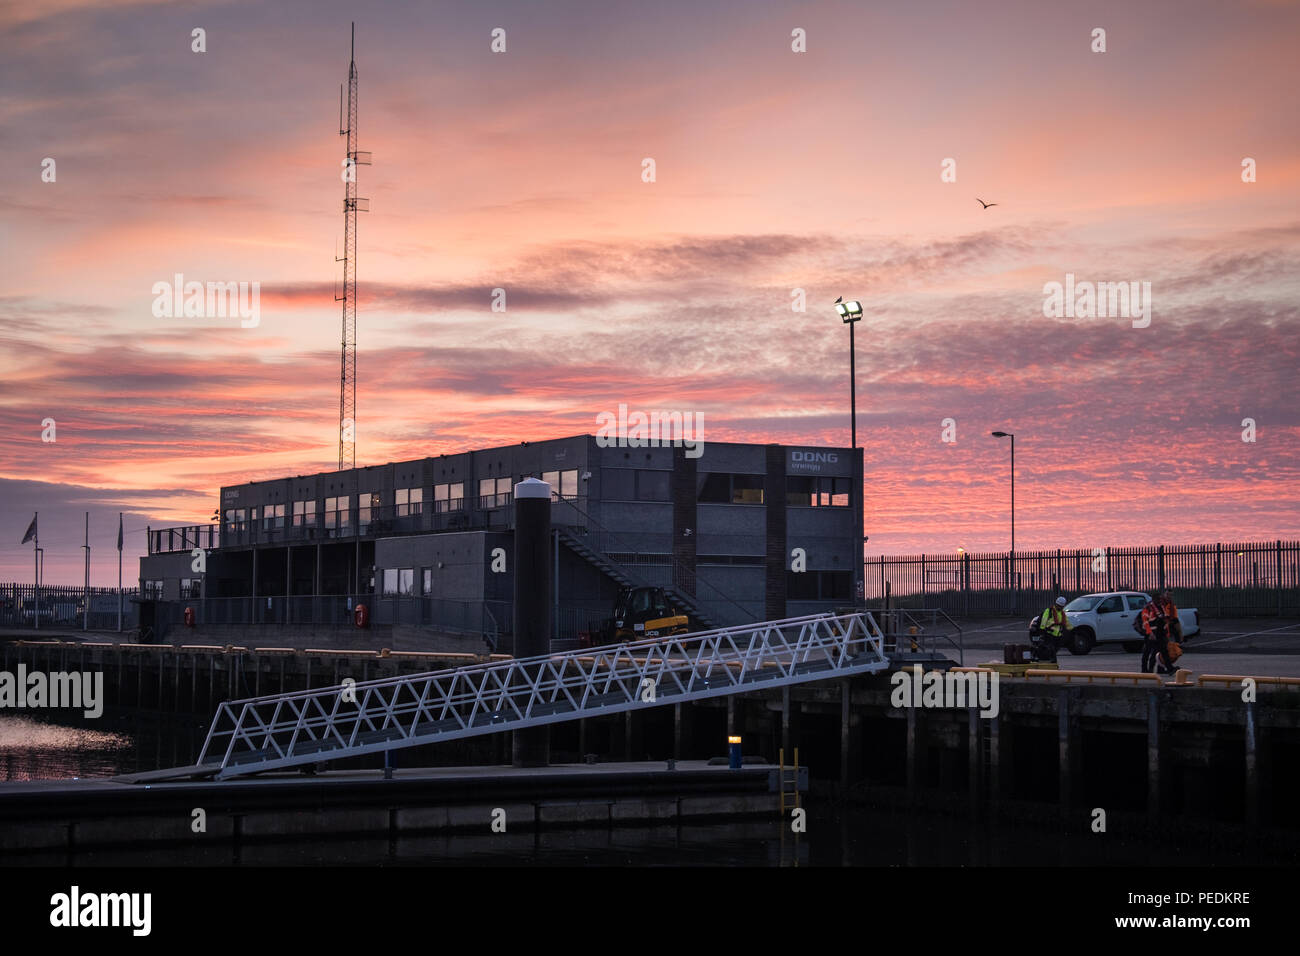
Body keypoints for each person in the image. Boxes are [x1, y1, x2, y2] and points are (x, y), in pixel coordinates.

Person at [1140, 595, 1174, 674]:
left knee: (1162, 651)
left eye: (1160, 600)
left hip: (1159, 633)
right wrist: (1150, 633)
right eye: (1158, 599)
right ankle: (1145, 669)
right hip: (1150, 634)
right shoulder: (1148, 608)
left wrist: (1167, 633)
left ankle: (1168, 668)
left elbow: (1164, 621)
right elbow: (1145, 622)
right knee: (1148, 652)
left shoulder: (1161, 607)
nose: (1160, 601)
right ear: (1153, 599)